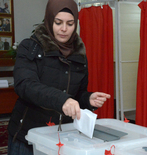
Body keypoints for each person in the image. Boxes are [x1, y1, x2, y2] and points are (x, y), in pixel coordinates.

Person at [7, 0, 111, 154]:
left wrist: (88, 99)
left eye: (70, 24)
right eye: (58, 22)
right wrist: (62, 100)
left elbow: (77, 94)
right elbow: (25, 85)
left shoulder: (79, 54)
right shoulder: (31, 47)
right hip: (27, 135)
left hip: (61, 136)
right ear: (49, 20)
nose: (64, 29)